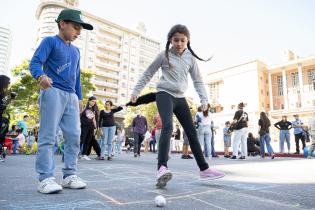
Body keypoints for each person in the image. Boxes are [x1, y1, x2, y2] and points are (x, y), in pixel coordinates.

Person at [130, 24, 225, 188]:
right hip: (164, 93)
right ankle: (161, 168)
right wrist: (136, 91)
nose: (179, 43)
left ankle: (204, 169)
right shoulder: (163, 55)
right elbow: (148, 73)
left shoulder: (190, 58)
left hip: (180, 97)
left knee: (191, 132)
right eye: (176, 40)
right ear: (170, 41)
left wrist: (204, 99)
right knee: (167, 126)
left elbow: (198, 81)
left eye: (182, 40)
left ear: (188, 41)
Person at [29, 8, 93, 193]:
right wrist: (40, 76)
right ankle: (45, 178)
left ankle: (69, 175)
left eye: (80, 29)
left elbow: (77, 75)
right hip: (53, 91)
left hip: (71, 96)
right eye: (76, 27)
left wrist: (79, 96)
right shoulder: (50, 41)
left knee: (73, 136)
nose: (79, 32)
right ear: (62, 24)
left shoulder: (76, 51)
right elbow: (35, 62)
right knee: (48, 136)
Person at [80, 96, 101, 160]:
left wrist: (95, 128)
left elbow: (94, 119)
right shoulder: (84, 107)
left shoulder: (94, 109)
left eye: (94, 102)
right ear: (89, 101)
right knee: (81, 140)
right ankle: (77, 153)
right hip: (84, 126)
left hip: (91, 127)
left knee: (88, 141)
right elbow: (79, 115)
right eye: (92, 101)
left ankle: (84, 154)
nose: (93, 103)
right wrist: (79, 123)